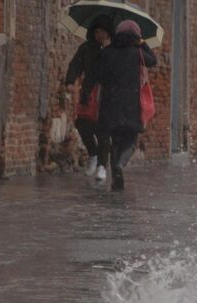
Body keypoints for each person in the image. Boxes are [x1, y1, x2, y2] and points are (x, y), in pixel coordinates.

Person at [82, 20, 157, 191]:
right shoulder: (138, 53)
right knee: (130, 140)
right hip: (131, 103)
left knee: (114, 139)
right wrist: (143, 43)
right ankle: (119, 165)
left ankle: (116, 169)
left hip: (110, 103)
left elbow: (95, 76)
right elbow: (153, 60)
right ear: (136, 36)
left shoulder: (107, 52)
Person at [65, 15, 112, 177]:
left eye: (103, 32)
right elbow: (76, 64)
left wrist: (107, 51)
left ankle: (102, 166)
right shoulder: (86, 48)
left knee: (104, 129)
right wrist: (70, 81)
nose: (99, 35)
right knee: (82, 123)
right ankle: (93, 153)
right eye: (97, 31)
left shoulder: (113, 50)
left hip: (107, 93)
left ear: (108, 33)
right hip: (88, 92)